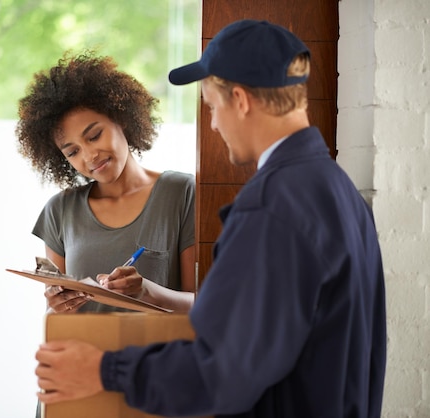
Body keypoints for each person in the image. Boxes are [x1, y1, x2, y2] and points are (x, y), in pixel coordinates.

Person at [34, 19, 387, 417]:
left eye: (213, 107)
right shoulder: (338, 190)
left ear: (240, 100)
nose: (215, 123)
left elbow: (224, 368)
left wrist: (104, 370)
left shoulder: (272, 206)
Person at [16, 51, 196, 315]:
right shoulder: (60, 211)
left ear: (120, 117)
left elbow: (205, 306)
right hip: (82, 353)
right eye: (72, 152)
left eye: (94, 135)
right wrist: (56, 307)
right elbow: (55, 318)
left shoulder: (180, 193)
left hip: (159, 354)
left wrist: (148, 291)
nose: (89, 157)